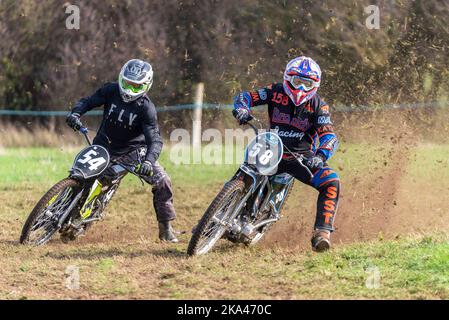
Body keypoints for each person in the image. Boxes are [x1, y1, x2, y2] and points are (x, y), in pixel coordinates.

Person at [232, 56, 340, 252]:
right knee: (245, 171)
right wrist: (241, 109)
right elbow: (245, 97)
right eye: (297, 81)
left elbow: (329, 136)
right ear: (287, 78)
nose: (300, 88)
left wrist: (320, 156)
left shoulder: (319, 106)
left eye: (307, 84)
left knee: (331, 182)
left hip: (300, 158)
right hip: (270, 147)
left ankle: (322, 233)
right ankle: (217, 215)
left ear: (315, 85)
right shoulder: (274, 92)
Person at [66, 59, 179, 243]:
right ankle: (69, 210)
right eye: (126, 84)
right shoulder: (111, 90)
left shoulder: (146, 108)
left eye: (135, 87)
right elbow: (88, 101)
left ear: (146, 86)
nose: (129, 90)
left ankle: (165, 228)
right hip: (104, 146)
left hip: (133, 152)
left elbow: (155, 140)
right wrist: (75, 113)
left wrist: (149, 162)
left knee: (163, 180)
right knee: (84, 177)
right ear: (120, 79)